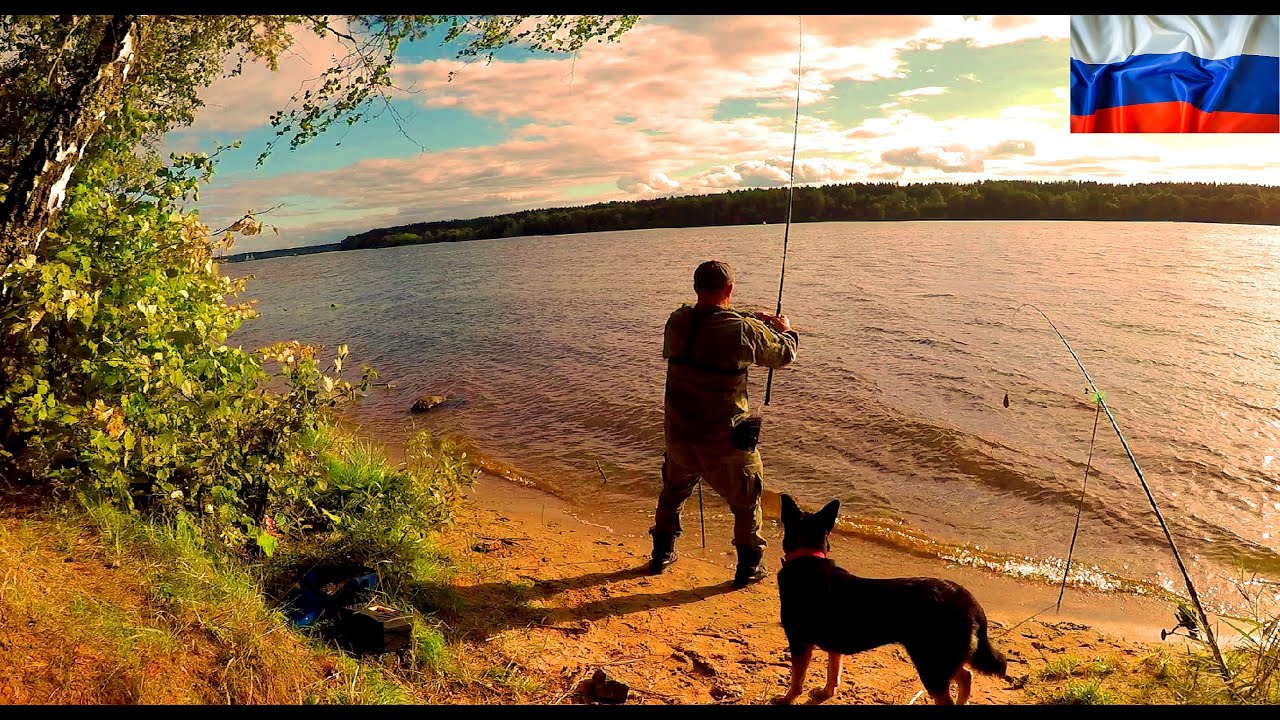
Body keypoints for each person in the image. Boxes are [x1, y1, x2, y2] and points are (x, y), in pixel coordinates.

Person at [649, 259, 799, 587]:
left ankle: (661, 553)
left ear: (695, 287)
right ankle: (749, 566)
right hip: (723, 440)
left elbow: (711, 322)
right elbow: (784, 355)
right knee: (747, 500)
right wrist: (784, 329)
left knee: (672, 492)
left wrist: (751, 318)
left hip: (679, 435)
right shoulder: (740, 331)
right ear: (730, 290)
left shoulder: (677, 321)